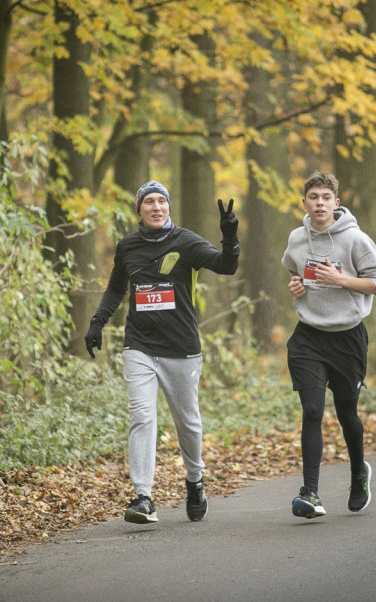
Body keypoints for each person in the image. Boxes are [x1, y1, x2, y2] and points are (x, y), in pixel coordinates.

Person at [85, 181, 239, 524]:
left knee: (188, 424)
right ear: (139, 209)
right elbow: (115, 288)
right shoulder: (127, 247)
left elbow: (226, 266)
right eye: (149, 202)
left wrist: (229, 237)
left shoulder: (186, 242)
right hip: (139, 345)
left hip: (181, 349)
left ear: (169, 207)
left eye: (162, 201)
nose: (156, 207)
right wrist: (98, 322)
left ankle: (195, 479)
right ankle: (143, 496)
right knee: (142, 416)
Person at [281, 171, 376, 518]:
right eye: (313, 197)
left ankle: (359, 473)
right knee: (312, 410)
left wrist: (342, 280)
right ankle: (309, 493)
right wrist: (296, 286)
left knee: (346, 414)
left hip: (347, 338)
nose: (320, 203)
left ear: (336, 203)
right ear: (305, 203)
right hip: (309, 336)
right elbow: (293, 272)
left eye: (326, 198)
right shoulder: (297, 239)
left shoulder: (356, 239)